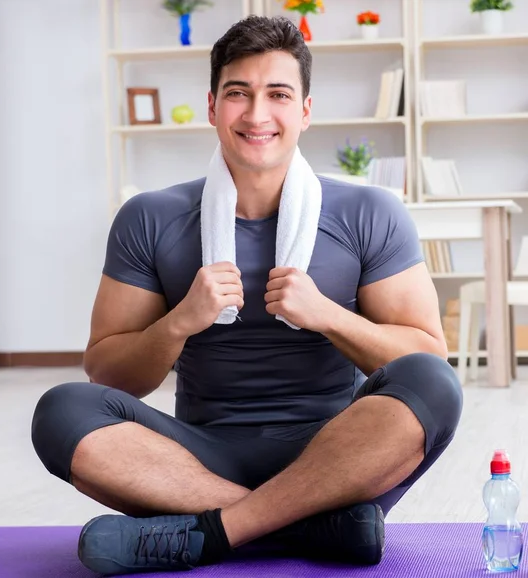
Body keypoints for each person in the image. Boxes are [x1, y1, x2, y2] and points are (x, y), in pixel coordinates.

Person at [31, 14, 463, 576]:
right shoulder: (151, 217)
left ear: (305, 110)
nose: (258, 114)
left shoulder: (368, 213)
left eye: (278, 94)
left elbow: (427, 355)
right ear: (212, 107)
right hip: (193, 458)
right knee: (61, 410)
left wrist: (329, 317)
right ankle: (310, 527)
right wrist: (180, 321)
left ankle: (211, 533)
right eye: (239, 94)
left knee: (434, 383)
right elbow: (111, 376)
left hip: (336, 455)